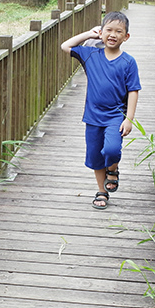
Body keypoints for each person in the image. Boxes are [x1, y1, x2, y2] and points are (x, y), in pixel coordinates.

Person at [60, 11, 140, 210]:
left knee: (112, 149)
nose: (113, 35)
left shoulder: (128, 62)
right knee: (96, 156)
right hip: (93, 117)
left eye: (118, 31)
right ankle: (101, 191)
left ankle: (113, 169)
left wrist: (129, 119)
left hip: (116, 116)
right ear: (101, 32)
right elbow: (65, 46)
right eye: (108, 30)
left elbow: (133, 91)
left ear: (126, 36)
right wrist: (88, 34)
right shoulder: (90, 54)